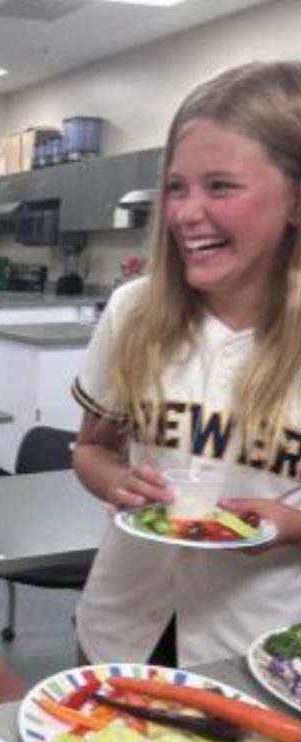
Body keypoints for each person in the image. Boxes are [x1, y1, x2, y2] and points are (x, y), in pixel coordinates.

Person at [71, 60, 301, 669]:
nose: (185, 213)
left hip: (258, 651)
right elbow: (91, 449)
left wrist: (289, 523)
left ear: (295, 200)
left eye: (220, 187)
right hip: (119, 627)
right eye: (177, 187)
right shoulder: (135, 311)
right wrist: (115, 481)